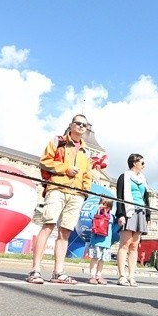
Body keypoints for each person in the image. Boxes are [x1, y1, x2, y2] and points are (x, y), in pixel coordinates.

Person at [25, 114, 92, 284]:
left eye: (85, 125)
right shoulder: (57, 141)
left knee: (65, 232)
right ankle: (35, 270)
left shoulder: (86, 151)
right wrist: (66, 169)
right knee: (47, 226)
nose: (81, 126)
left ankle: (58, 272)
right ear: (71, 125)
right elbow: (44, 162)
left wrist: (84, 191)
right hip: (57, 188)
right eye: (78, 123)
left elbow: (87, 174)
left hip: (76, 194)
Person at [115, 153, 150, 287]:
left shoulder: (143, 179)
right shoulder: (124, 176)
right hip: (128, 211)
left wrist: (147, 216)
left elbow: (146, 198)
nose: (144, 166)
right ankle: (122, 275)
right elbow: (119, 196)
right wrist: (120, 214)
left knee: (135, 245)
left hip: (140, 211)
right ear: (134, 163)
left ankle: (131, 275)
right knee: (125, 244)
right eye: (142, 163)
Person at [88, 198, 114, 285]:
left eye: (108, 206)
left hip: (106, 242)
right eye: (103, 204)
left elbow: (114, 228)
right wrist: (98, 208)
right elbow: (91, 215)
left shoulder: (111, 216)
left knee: (102, 260)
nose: (105, 207)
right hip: (96, 241)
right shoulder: (96, 212)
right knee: (95, 258)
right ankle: (92, 275)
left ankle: (99, 275)